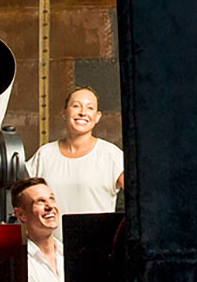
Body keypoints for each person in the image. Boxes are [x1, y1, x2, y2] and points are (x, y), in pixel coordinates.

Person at [27, 87, 125, 221]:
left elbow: (140, 199)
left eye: (90, 108)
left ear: (97, 117)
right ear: (64, 112)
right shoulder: (45, 155)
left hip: (98, 241)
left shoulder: (111, 155)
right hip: (52, 242)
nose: (83, 112)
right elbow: (25, 199)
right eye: (76, 106)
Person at [15, 178, 65, 282]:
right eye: (40, 202)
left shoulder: (69, 255)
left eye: (51, 199)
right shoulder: (20, 263)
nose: (50, 207)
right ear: (21, 214)